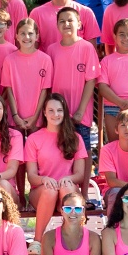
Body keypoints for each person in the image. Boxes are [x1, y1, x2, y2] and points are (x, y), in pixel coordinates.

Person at [25, 95, 90, 236]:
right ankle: (37, 240)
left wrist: (68, 179)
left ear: (64, 112)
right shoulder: (33, 139)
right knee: (50, 190)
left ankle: (74, 237)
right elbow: (31, 176)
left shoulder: (76, 138)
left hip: (67, 191)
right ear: (44, 112)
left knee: (67, 188)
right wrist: (44, 180)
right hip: (42, 193)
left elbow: (80, 175)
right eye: (51, 110)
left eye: (59, 110)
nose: (56, 114)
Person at [46, 6, 102, 151]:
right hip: (58, 113)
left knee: (83, 151)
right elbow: (48, 84)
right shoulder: (51, 50)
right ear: (57, 25)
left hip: (80, 114)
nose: (66, 24)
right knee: (59, 151)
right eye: (62, 21)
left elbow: (91, 80)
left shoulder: (87, 48)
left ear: (79, 24)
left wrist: (80, 111)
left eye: (70, 20)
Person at [0, 17, 57, 132]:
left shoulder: (45, 59)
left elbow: (44, 91)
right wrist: (15, 116)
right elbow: (9, 90)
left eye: (30, 33)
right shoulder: (9, 60)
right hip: (15, 118)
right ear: (16, 36)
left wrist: (35, 117)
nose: (26, 37)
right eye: (22, 33)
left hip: (37, 118)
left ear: (37, 36)